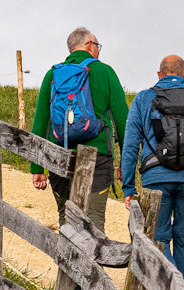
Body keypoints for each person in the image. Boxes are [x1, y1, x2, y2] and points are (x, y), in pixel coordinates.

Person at [121, 54, 184, 290]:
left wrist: (128, 187)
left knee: (160, 236)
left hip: (156, 177)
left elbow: (130, 145)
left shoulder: (144, 99)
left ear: (159, 75)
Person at [30, 27, 130, 235]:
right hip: (98, 157)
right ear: (89, 46)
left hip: (58, 156)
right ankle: (91, 267)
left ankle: (67, 267)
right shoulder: (105, 72)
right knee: (94, 222)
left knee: (66, 221)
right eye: (98, 46)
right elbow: (123, 121)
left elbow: (40, 121)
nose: (98, 51)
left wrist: (36, 168)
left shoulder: (53, 74)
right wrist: (126, 165)